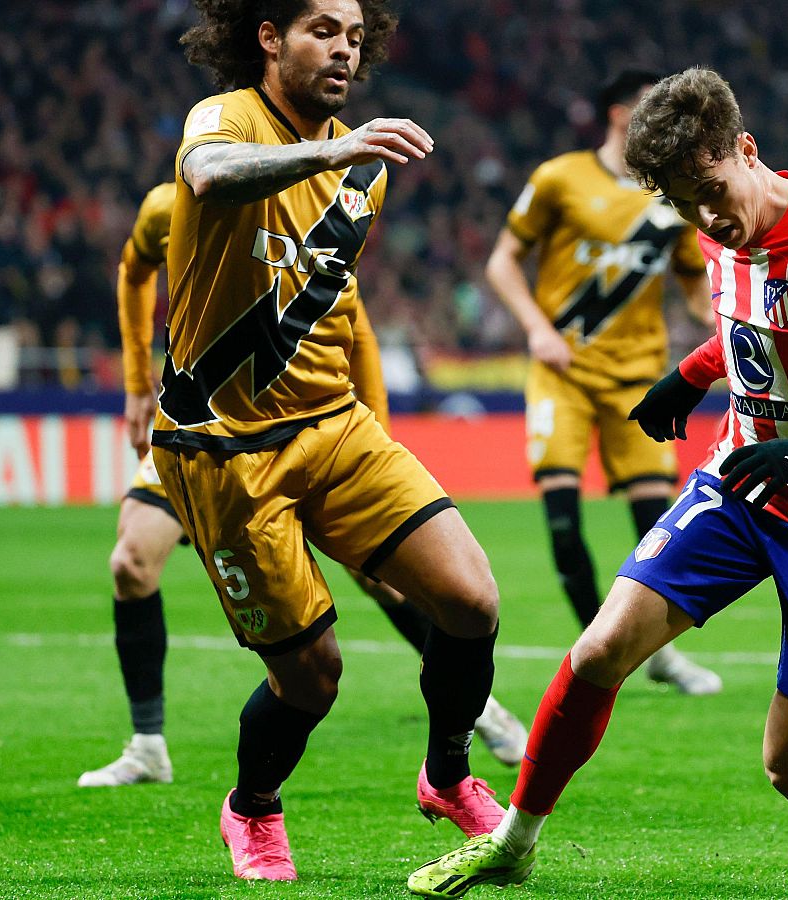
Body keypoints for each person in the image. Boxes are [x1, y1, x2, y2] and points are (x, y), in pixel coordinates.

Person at [409, 67, 788, 899]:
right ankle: (513, 844)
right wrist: (693, 373)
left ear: (746, 148)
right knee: (599, 649)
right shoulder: (714, 232)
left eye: (709, 191)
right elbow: (759, 322)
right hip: (740, 487)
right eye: (681, 204)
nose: (705, 218)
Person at [156, 0, 509, 881]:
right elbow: (209, 176)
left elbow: (336, 302)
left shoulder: (365, 172)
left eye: (355, 36)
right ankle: (252, 807)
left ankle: (447, 775)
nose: (344, 50)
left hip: (334, 425)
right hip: (225, 448)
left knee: (471, 600)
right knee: (312, 678)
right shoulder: (229, 118)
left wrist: (374, 422)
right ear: (269, 38)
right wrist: (331, 152)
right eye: (322, 30)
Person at [76, 179, 526, 788]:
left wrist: (377, 439)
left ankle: (479, 708)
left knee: (379, 580)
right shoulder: (173, 205)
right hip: (199, 427)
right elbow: (133, 272)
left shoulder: (309, 208)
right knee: (131, 562)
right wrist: (136, 385)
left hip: (302, 430)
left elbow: (357, 328)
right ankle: (148, 745)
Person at [484, 69, 721, 696]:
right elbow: (502, 260)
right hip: (562, 372)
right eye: (653, 106)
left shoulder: (671, 196)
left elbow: (693, 280)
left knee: (659, 531)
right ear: (620, 113)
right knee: (564, 522)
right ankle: (602, 653)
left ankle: (656, 653)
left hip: (638, 378)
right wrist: (537, 329)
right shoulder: (560, 178)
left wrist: (717, 313)